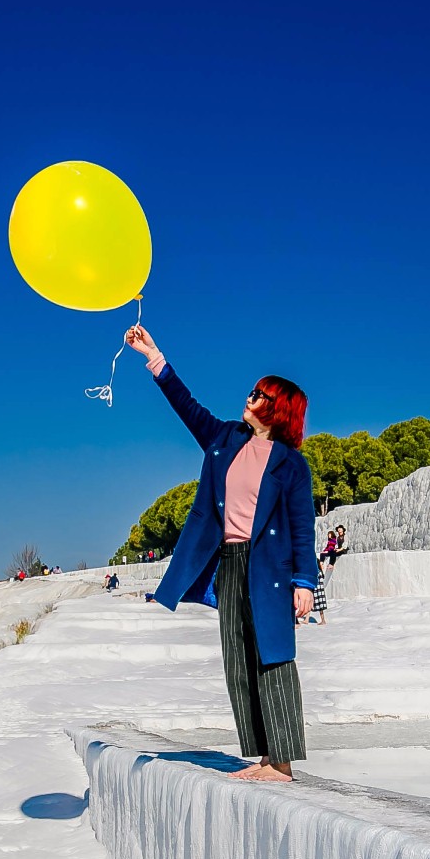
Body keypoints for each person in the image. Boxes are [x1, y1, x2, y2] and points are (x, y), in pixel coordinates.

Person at [124, 322, 317, 783]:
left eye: (261, 396)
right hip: (228, 563)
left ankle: (283, 763)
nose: (250, 397)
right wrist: (155, 356)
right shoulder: (225, 439)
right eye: (252, 391)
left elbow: (301, 527)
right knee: (237, 657)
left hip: (269, 566)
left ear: (279, 409)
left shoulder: (291, 464)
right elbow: (186, 407)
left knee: (272, 654)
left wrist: (305, 582)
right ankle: (263, 758)